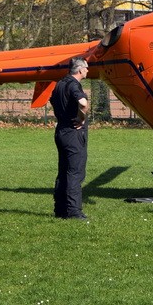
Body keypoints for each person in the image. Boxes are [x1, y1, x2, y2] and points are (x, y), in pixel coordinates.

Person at [51, 57, 90, 220]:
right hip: (73, 133)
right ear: (80, 70)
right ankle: (74, 211)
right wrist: (81, 118)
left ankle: (60, 209)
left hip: (61, 131)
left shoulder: (60, 84)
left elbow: (52, 100)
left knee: (63, 171)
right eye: (86, 68)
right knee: (75, 172)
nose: (88, 70)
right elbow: (82, 102)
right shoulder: (74, 85)